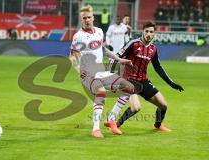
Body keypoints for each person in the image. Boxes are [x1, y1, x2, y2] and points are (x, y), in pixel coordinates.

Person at [69, 5, 136, 138]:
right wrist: (79, 70)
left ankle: (111, 119)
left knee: (129, 87)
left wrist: (119, 59)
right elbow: (72, 56)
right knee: (101, 91)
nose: (87, 20)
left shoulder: (99, 31)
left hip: (100, 71)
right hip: (87, 73)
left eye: (89, 17)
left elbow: (103, 50)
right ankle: (95, 129)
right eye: (84, 18)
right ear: (81, 20)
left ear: (93, 17)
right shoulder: (78, 36)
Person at [108, 21, 184, 132]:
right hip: (130, 80)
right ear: (143, 32)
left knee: (163, 105)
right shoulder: (133, 43)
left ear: (154, 34)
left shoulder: (153, 49)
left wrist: (172, 83)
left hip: (144, 81)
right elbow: (115, 57)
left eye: (151, 32)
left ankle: (157, 126)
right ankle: (116, 125)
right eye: (146, 31)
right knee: (136, 108)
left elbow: (158, 68)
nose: (148, 34)